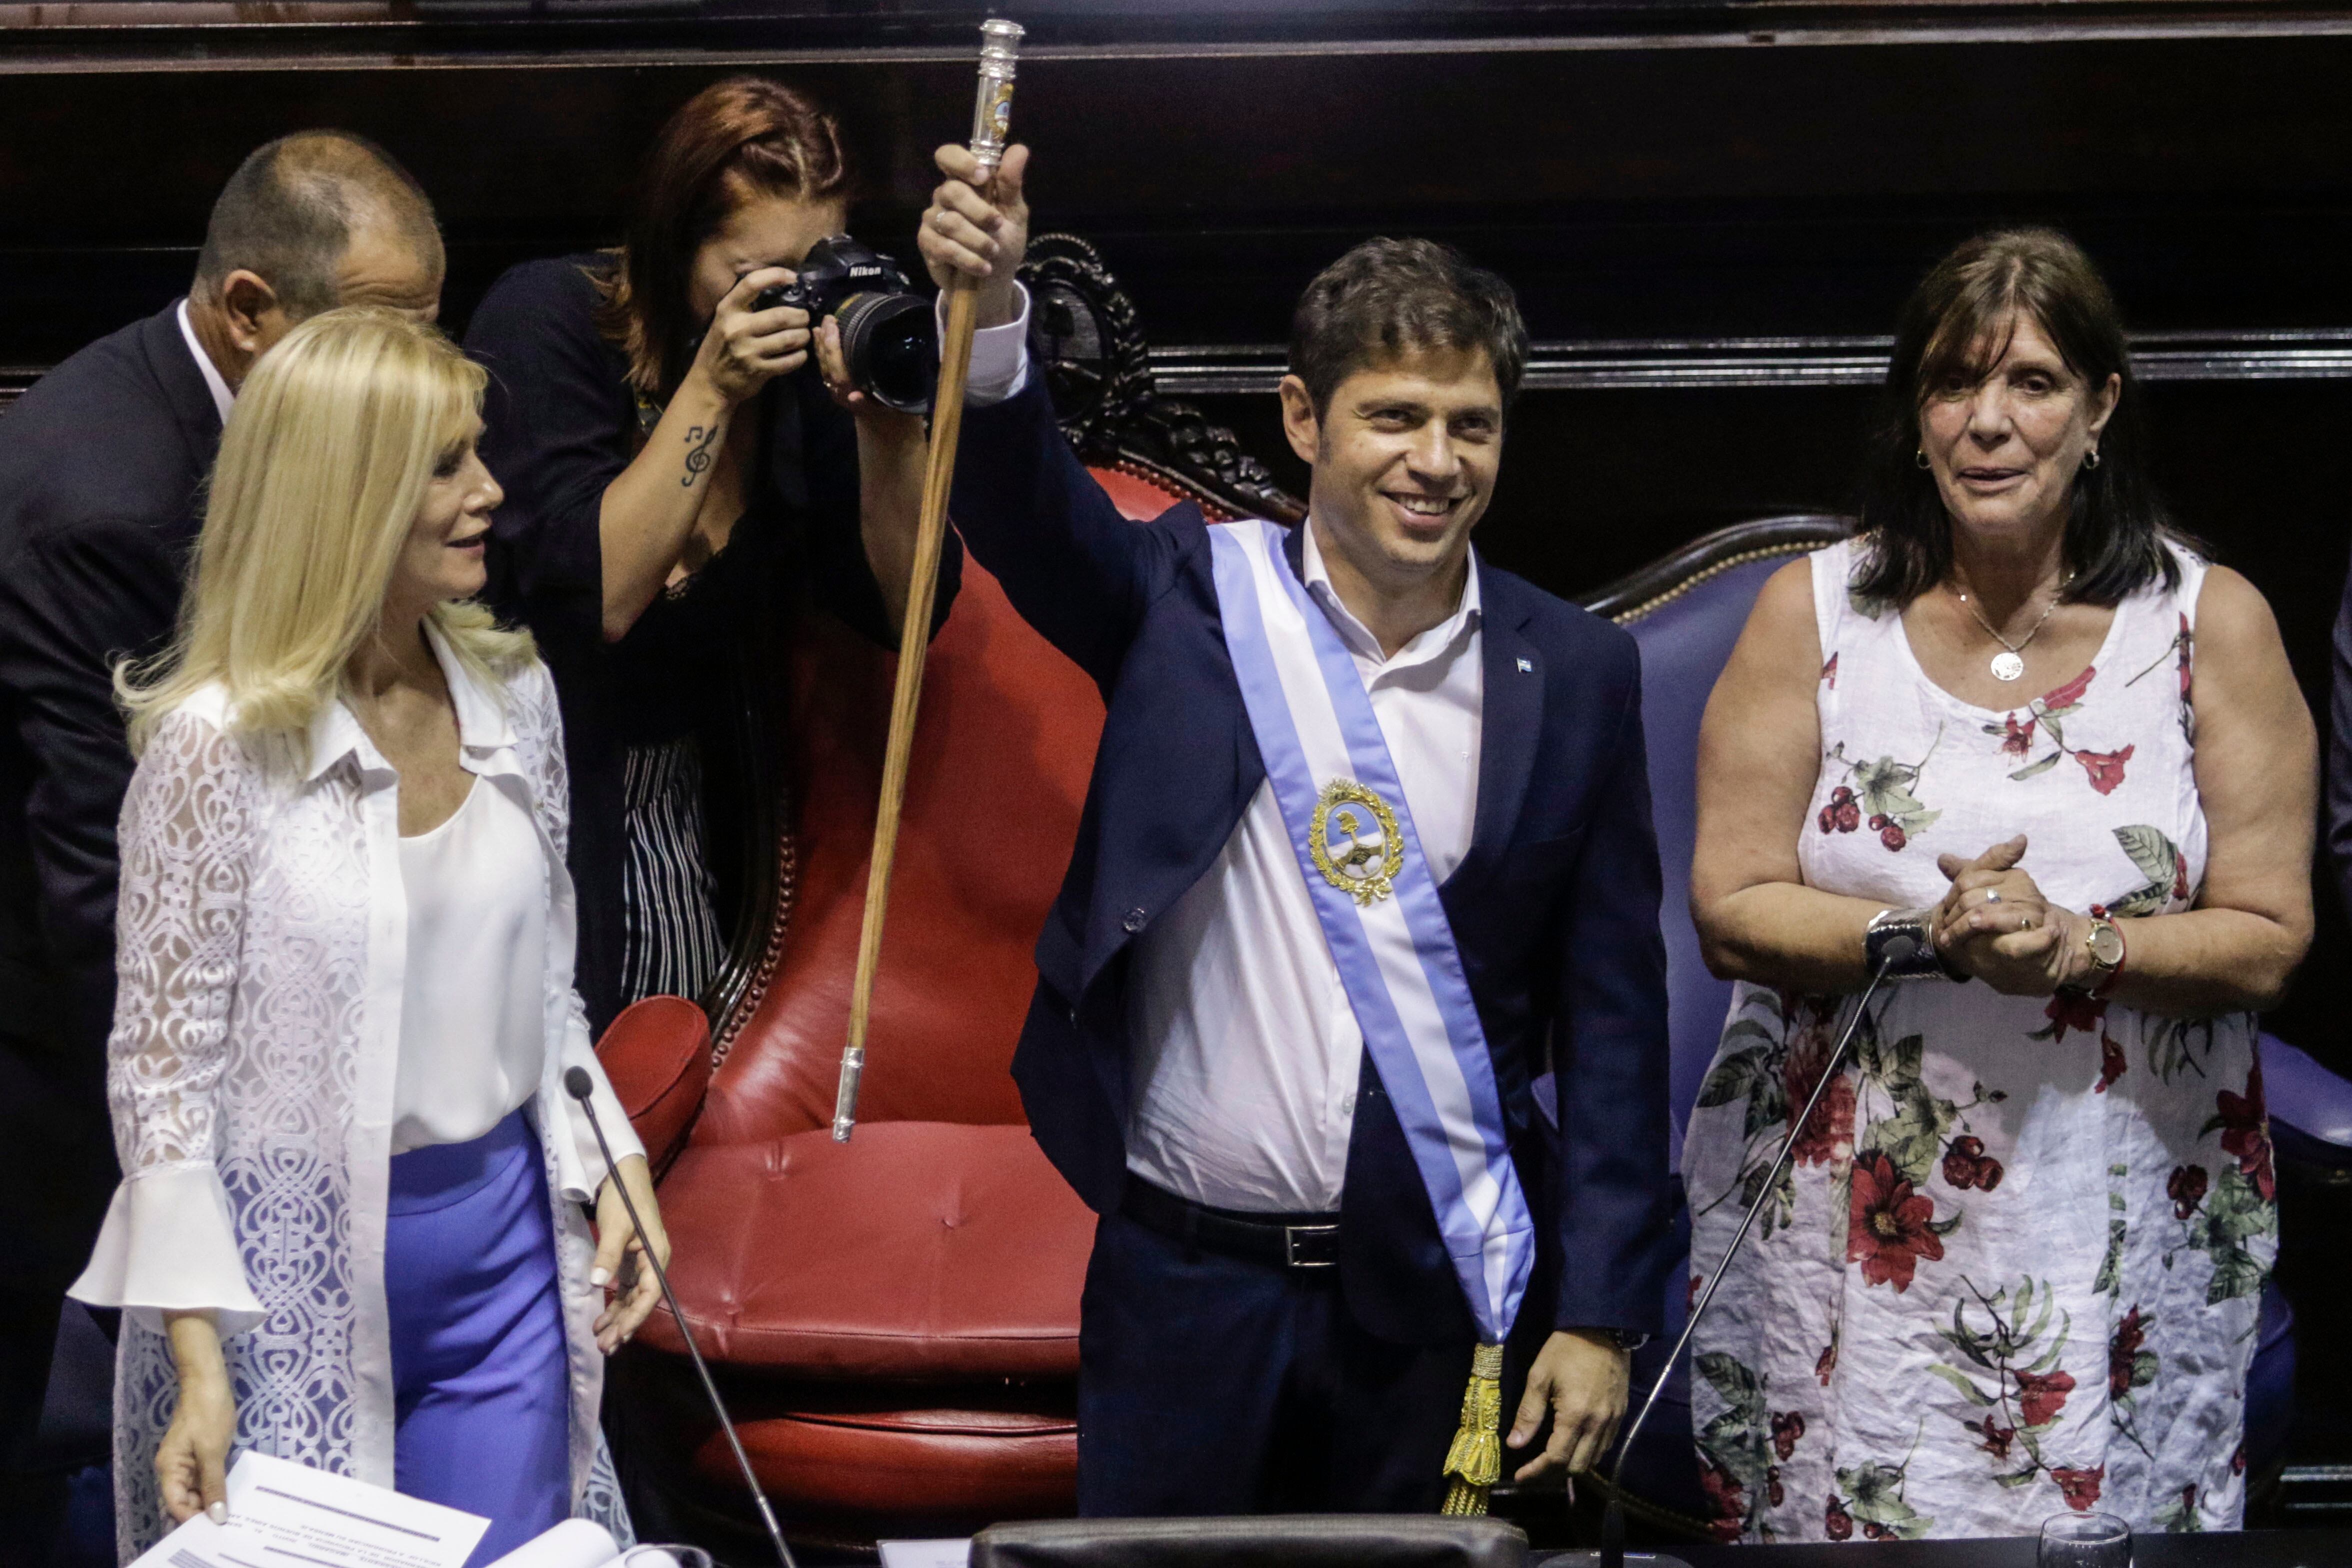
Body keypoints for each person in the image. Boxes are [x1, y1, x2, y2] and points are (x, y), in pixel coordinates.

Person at [917, 146, 1676, 1516]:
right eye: (1395, 417)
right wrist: (994, 309)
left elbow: (1614, 1014)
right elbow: (1022, 507)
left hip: (1431, 1301)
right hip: (1183, 1289)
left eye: (1473, 424)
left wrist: (1602, 1312)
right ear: (1303, 418)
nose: (1436, 462)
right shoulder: (1183, 602)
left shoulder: (1573, 670)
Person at [1686, 228, 2312, 1540]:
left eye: (2031, 382)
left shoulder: (2211, 623)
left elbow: (2267, 934)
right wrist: (1936, 932)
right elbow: (1733, 906)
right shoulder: (1811, 614)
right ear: (1915, 418)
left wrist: (2082, 945)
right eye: (1953, 382)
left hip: (2125, 1200)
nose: (1988, 420)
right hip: (1852, 1218)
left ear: (2100, 406)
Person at [66, 310, 666, 1566]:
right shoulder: (215, 746)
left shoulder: (517, 696)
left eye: (478, 452)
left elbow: (549, 993)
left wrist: (615, 1161)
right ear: (344, 493)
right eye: (445, 465)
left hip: (506, 1265)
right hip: (283, 1292)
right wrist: (195, 1358)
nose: (489, 489)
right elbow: (161, 1082)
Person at [0, 130, 442, 1546]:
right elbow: (107, 877)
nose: (413, 372)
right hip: (61, 1054)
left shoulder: (252, 427)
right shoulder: (111, 502)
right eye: (384, 329)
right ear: (251, 310)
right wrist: (239, 1130)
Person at [466, 77, 955, 1034]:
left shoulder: (805, 370)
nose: (789, 299)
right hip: (536, 795)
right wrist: (712, 389)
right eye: (755, 274)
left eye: (814, 266)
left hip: (698, 808)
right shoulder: (548, 317)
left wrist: (889, 425)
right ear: (671, 241)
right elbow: (600, 601)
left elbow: (908, 613)